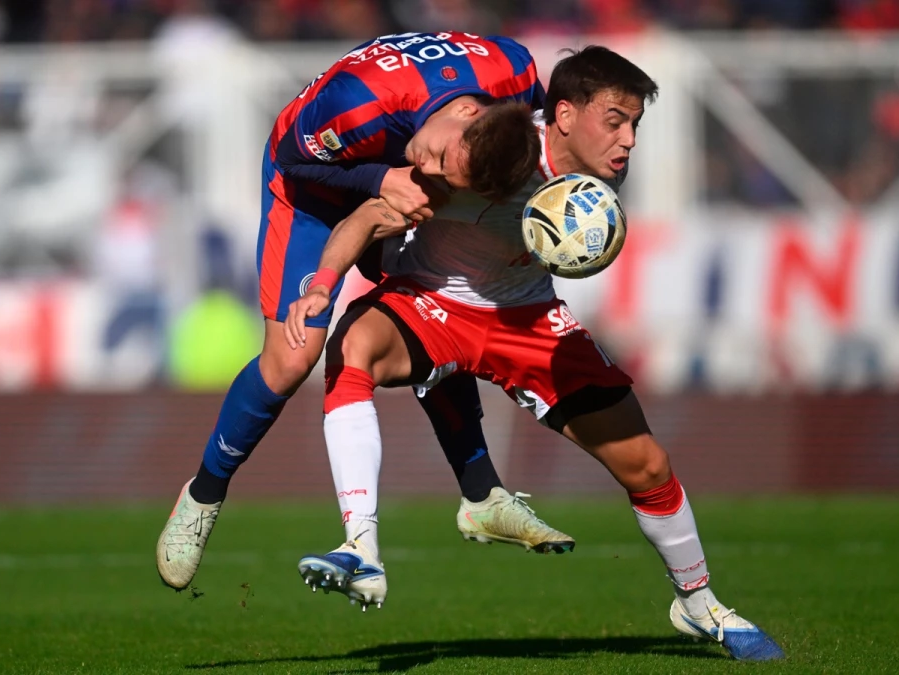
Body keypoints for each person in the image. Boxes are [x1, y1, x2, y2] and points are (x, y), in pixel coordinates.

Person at [286, 46, 785, 662]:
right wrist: (321, 287)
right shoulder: (491, 152)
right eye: (616, 120)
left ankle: (697, 602)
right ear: (565, 114)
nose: (628, 139)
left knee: (648, 467)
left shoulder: (593, 175)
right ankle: (360, 549)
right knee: (351, 347)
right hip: (434, 301)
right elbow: (370, 215)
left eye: (635, 125)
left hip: (528, 319)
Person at [157, 31, 575, 592]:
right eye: (440, 158)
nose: (434, 169)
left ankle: (481, 493)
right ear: (468, 114)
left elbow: (537, 143)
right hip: (316, 180)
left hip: (386, 167)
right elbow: (293, 158)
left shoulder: (515, 73)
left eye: (450, 174)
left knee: (432, 305)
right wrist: (380, 178)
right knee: (291, 360)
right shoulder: (357, 103)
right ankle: (203, 494)